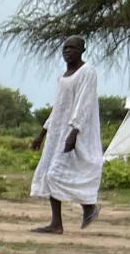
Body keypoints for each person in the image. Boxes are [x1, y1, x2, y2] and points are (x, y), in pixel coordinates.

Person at [30, 35, 104, 233]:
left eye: (72, 48)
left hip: (76, 131)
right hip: (58, 131)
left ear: (82, 50)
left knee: (56, 173)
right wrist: (42, 133)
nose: (67, 52)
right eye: (64, 49)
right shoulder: (64, 75)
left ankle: (87, 206)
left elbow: (84, 103)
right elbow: (59, 106)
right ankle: (59, 222)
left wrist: (75, 131)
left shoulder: (87, 72)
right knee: (49, 173)